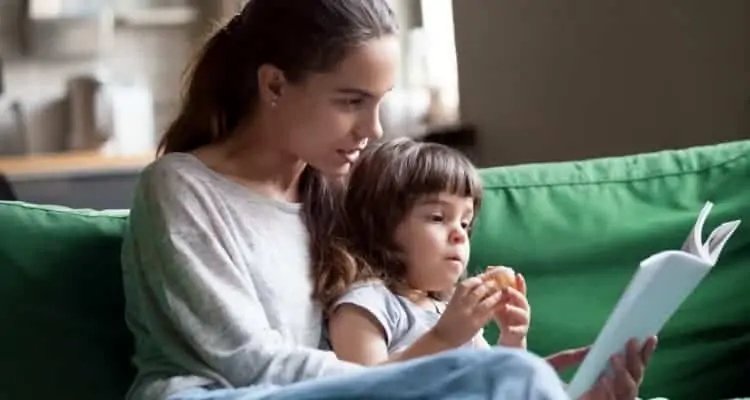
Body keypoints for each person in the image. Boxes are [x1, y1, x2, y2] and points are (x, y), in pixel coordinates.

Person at [119, 0, 657, 399]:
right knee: (512, 380)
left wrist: (468, 371)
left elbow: (397, 332)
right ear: (275, 85)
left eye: (378, 104)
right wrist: (442, 378)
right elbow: (249, 363)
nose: (371, 129)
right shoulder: (182, 189)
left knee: (520, 378)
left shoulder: (339, 194)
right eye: (351, 101)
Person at [321, 138, 532, 366]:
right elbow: (363, 388)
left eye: (465, 223)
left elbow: (493, 380)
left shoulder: (448, 310)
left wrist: (512, 341)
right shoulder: (367, 305)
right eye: (438, 218)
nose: (460, 235)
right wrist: (443, 337)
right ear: (380, 225)